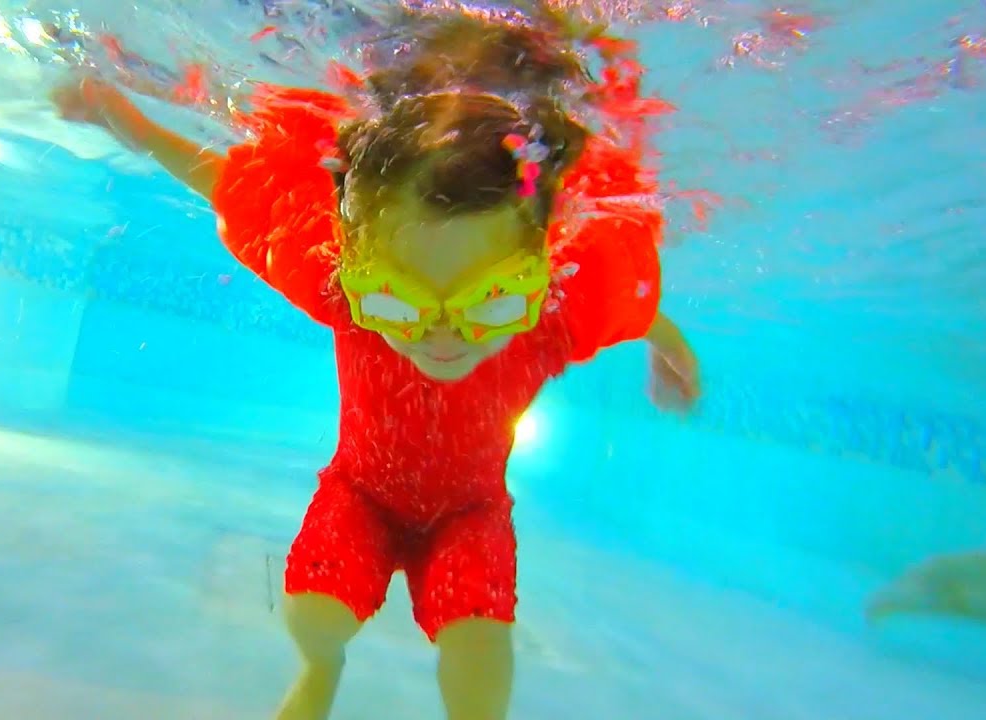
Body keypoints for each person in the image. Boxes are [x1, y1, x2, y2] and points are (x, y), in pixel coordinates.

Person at [54, 6, 699, 719]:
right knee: (315, 618)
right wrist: (133, 127)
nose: (442, 334)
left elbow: (635, 305)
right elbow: (224, 183)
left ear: (539, 276)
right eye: (395, 301)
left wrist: (671, 346)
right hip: (359, 492)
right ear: (355, 269)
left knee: (481, 651)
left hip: (471, 513)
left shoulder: (553, 319)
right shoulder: (339, 288)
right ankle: (319, 672)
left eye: (490, 303)